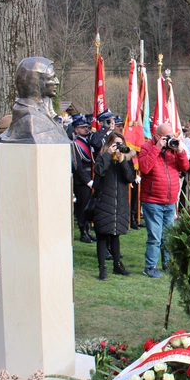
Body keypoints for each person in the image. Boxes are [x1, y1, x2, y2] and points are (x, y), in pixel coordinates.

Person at [138, 123, 190, 278]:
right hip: (152, 199)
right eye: (166, 136)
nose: (169, 139)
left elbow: (185, 167)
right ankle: (150, 266)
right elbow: (145, 168)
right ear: (157, 136)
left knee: (168, 235)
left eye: (171, 136)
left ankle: (167, 264)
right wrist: (157, 148)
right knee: (155, 236)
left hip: (170, 201)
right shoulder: (147, 147)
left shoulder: (173, 149)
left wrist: (180, 151)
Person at [93, 132, 136, 280]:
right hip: (104, 200)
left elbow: (130, 178)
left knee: (116, 234)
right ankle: (102, 268)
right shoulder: (103, 156)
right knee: (102, 235)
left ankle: (117, 265)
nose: (118, 147)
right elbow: (99, 171)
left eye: (121, 144)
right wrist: (108, 154)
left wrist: (123, 160)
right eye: (116, 144)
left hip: (120, 202)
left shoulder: (125, 159)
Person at [71, 115, 95, 243]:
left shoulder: (89, 141)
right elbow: (77, 166)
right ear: (76, 129)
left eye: (86, 127)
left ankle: (88, 230)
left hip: (91, 176)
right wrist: (87, 181)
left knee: (90, 206)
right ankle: (82, 231)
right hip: (82, 181)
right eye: (82, 127)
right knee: (83, 207)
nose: (86, 129)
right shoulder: (75, 144)